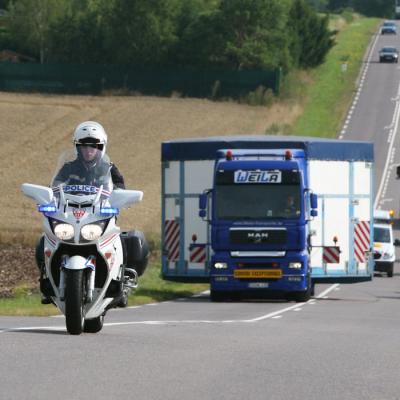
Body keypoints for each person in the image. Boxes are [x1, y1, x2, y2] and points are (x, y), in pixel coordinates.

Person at [36, 121, 125, 303]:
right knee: (44, 240)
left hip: (98, 214)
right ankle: (48, 282)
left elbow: (120, 187)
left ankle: (121, 281)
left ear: (101, 147)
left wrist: (121, 198)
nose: (89, 150)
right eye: (84, 146)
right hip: (72, 214)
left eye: (94, 146)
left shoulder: (109, 168)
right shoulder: (69, 167)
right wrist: (49, 198)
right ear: (78, 147)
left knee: (119, 238)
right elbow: (55, 185)